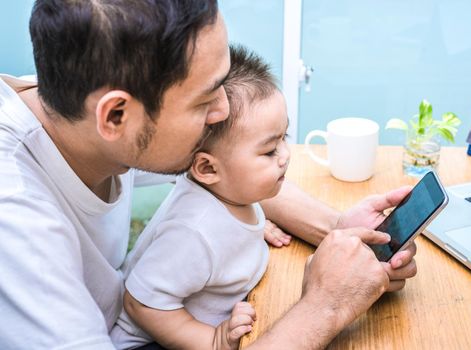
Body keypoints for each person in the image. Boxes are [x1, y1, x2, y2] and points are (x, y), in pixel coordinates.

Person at [0, 1, 416, 349]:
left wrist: (338, 231)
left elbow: (229, 169)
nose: (222, 112)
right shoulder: (16, 222)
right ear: (116, 116)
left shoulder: (83, 108)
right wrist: (327, 307)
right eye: (205, 101)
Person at [110, 45, 293, 350]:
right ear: (208, 168)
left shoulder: (232, 193)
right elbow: (141, 303)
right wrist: (212, 341)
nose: (285, 156)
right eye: (270, 150)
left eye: (284, 138)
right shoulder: (193, 232)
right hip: (150, 341)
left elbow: (227, 234)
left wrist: (251, 232)